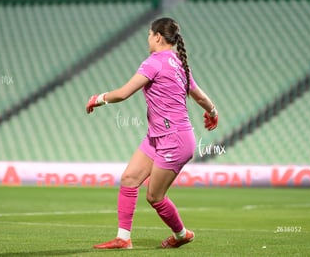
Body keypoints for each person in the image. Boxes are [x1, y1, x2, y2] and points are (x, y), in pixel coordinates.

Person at [86, 17, 218, 249]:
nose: (147, 38)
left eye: (149, 34)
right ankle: (123, 238)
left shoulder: (153, 62)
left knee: (154, 196)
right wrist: (213, 111)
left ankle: (181, 235)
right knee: (129, 179)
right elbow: (199, 95)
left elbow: (124, 93)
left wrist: (98, 98)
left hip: (174, 139)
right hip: (159, 137)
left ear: (157, 36)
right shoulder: (179, 63)